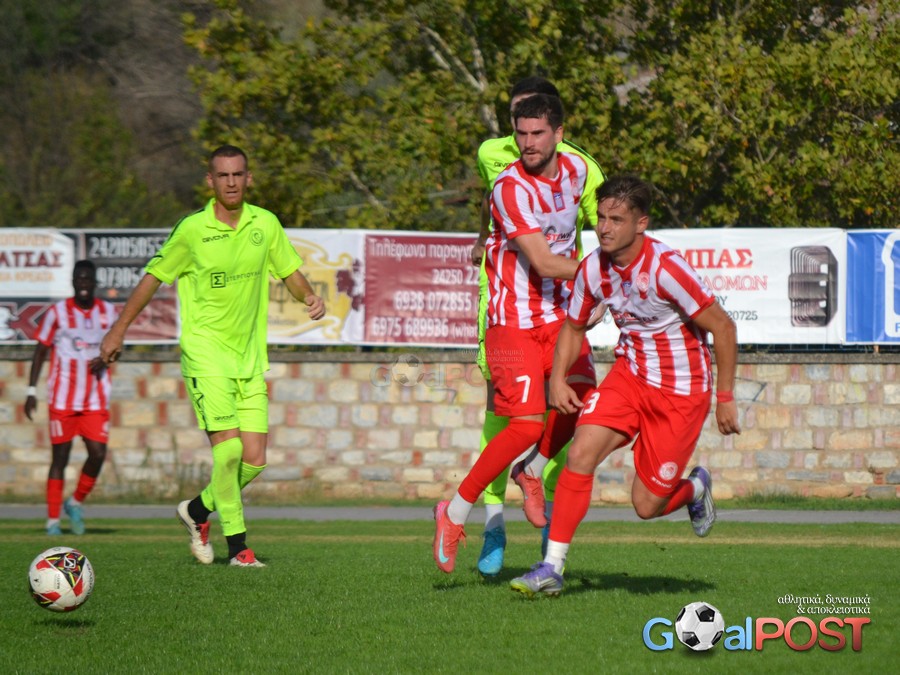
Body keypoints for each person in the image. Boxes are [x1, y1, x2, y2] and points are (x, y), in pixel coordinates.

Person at [509, 175, 741, 597]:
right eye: (601, 217)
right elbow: (573, 327)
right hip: (630, 376)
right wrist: (557, 380)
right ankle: (551, 568)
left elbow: (723, 327)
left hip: (681, 392)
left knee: (646, 505)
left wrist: (724, 398)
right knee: (580, 452)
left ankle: (694, 488)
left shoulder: (666, 268)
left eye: (616, 220)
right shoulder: (592, 268)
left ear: (641, 223)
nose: (604, 228)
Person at [100, 144, 326, 567]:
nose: (231, 182)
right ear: (210, 181)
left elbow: (289, 271)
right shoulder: (192, 230)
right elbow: (152, 278)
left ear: (249, 178)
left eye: (238, 174)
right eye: (223, 175)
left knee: (254, 460)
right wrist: (119, 328)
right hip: (205, 355)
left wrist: (309, 296)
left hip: (249, 359)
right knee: (229, 452)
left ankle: (197, 510)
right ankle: (239, 550)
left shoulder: (265, 223)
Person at [433, 94, 596, 574]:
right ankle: (454, 513)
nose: (528, 142)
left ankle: (532, 469)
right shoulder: (509, 186)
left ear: (559, 134)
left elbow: (604, 228)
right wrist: (605, 278)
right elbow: (543, 261)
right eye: (521, 133)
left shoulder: (579, 173)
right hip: (513, 323)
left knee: (586, 402)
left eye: (537, 133)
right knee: (524, 425)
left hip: (559, 318)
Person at [25, 260, 116, 536]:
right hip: (62, 400)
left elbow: (117, 347)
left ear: (95, 282)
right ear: (73, 282)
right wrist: (31, 391)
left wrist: (106, 359)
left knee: (98, 454)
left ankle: (75, 502)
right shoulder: (57, 313)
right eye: (79, 279)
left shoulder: (108, 312)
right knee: (60, 458)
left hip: (95, 399)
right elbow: (41, 351)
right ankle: (52, 521)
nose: (83, 283)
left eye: (88, 279)